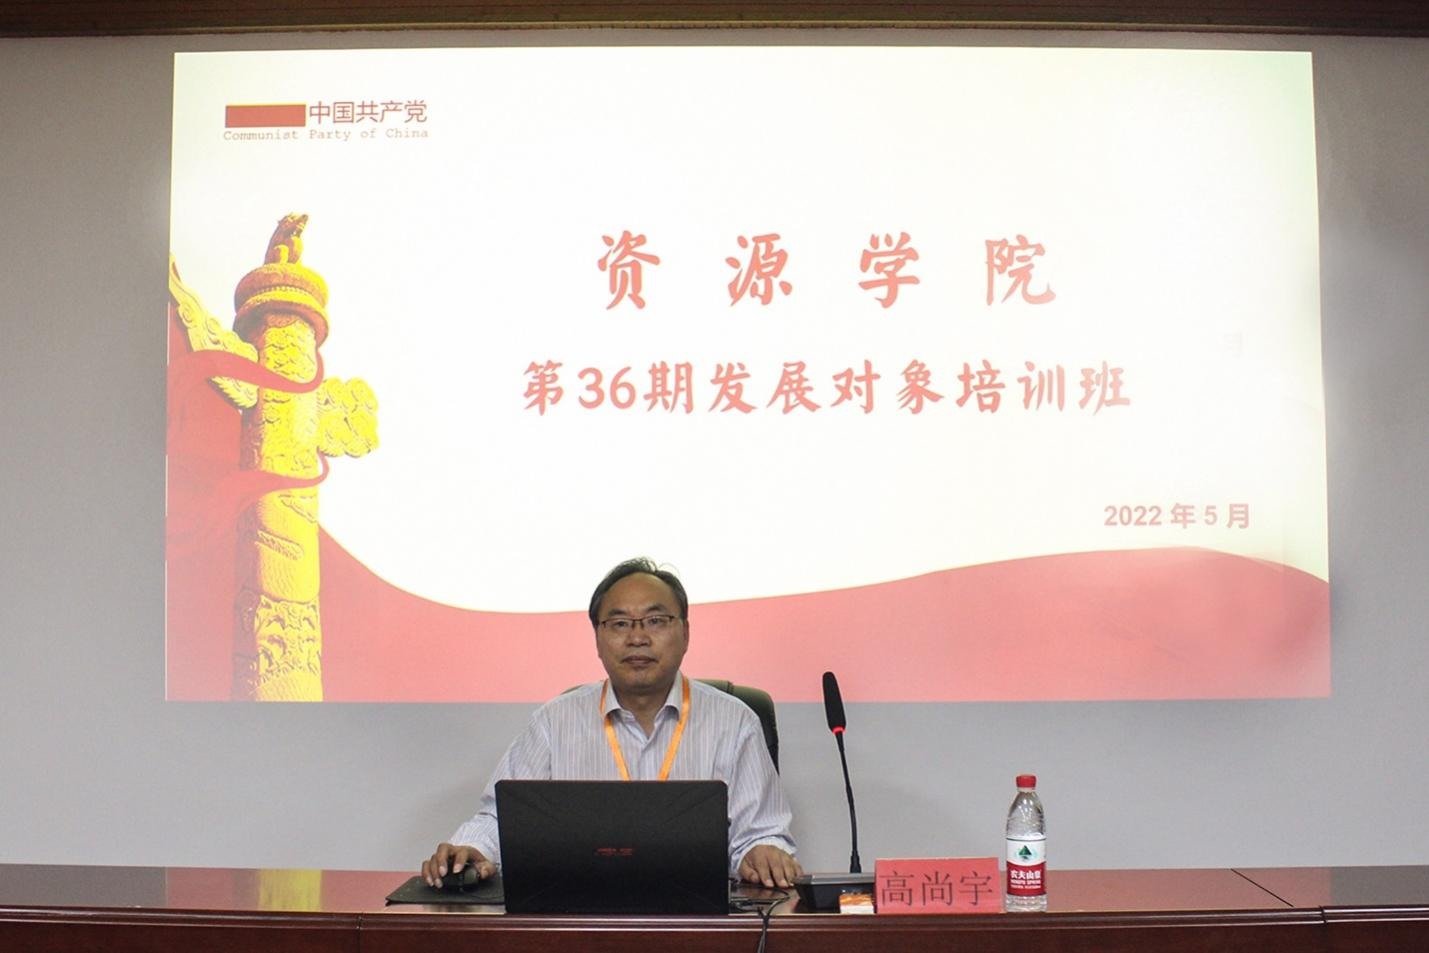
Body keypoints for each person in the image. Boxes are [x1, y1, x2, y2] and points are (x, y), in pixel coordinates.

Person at [422, 558, 802, 889]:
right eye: (619, 623)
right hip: (583, 912)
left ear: (685, 633)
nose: (637, 637)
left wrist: (763, 852)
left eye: (655, 621)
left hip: (698, 918)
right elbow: (501, 819)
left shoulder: (735, 721)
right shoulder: (555, 721)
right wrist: (472, 848)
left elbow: (763, 833)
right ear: (598, 638)